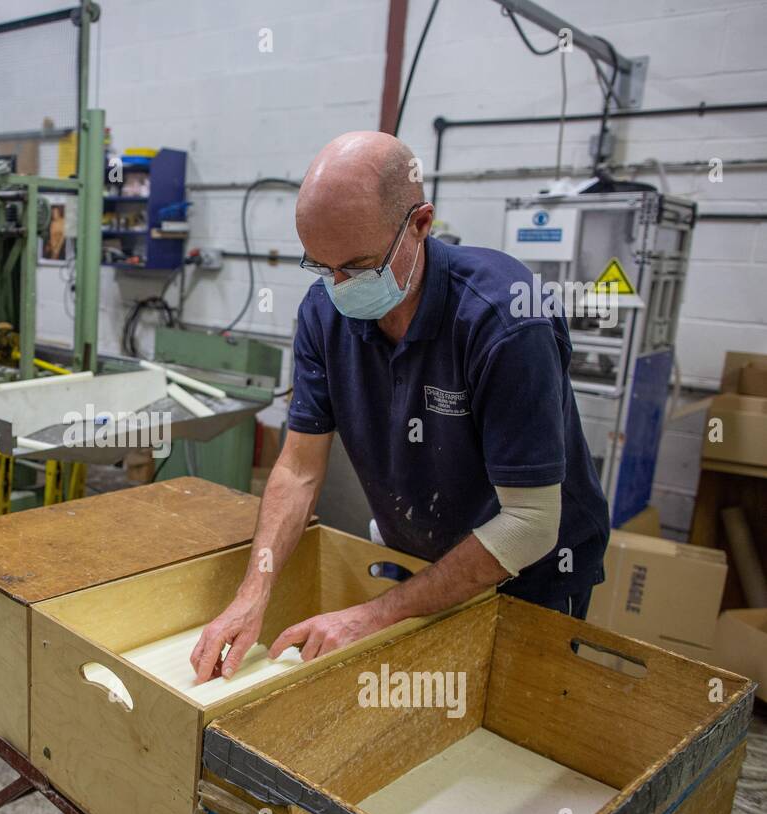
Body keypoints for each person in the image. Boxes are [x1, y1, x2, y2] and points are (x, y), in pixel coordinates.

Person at [190, 131, 609, 685]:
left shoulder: (504, 320)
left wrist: (372, 615)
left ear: (420, 224)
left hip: (529, 576)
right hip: (416, 560)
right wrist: (253, 591)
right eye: (322, 266)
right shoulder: (324, 313)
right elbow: (297, 469)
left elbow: (530, 525)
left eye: (359, 267)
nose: (340, 287)